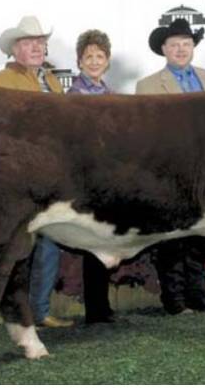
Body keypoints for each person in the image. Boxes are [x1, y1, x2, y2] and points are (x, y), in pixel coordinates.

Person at [0, 16, 72, 327]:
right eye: (28, 43)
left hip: (50, 179)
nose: (37, 47)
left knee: (48, 247)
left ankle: (40, 311)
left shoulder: (51, 80)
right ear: (14, 49)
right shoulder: (3, 81)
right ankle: (13, 313)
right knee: (17, 250)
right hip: (19, 180)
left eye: (40, 42)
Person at [135, 18, 205, 314]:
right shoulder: (147, 86)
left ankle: (198, 294)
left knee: (201, 233)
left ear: (193, 47)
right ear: (164, 49)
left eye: (186, 44)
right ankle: (175, 299)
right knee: (171, 235)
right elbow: (144, 133)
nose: (181, 49)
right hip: (167, 171)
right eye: (174, 45)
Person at [66, 29, 115, 324]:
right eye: (89, 57)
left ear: (107, 61)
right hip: (86, 177)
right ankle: (95, 309)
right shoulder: (73, 96)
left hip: (108, 176)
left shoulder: (110, 94)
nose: (94, 61)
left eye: (100, 56)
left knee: (105, 239)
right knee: (93, 241)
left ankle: (102, 306)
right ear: (79, 61)